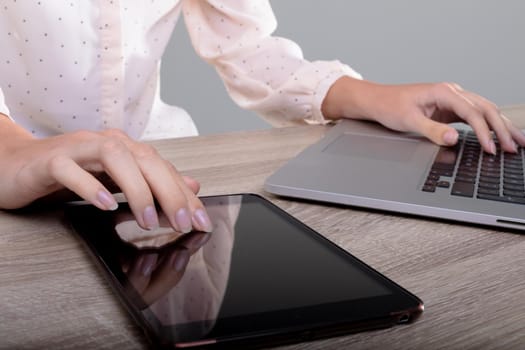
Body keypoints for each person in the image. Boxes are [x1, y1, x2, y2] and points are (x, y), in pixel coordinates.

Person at [1, 1, 524, 234]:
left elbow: (247, 49)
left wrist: (370, 97)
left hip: (167, 179)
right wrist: (15, 152)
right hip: (16, 196)